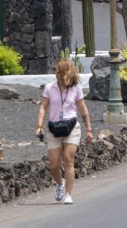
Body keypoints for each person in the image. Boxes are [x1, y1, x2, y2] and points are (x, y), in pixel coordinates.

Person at [36, 59, 93, 205]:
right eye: (56, 70)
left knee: (68, 160)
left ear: (65, 73)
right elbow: (43, 107)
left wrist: (88, 129)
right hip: (54, 128)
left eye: (59, 71)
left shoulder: (76, 89)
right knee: (54, 165)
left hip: (71, 127)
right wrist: (39, 126)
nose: (56, 73)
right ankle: (60, 183)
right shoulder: (49, 88)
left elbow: (83, 109)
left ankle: (68, 194)